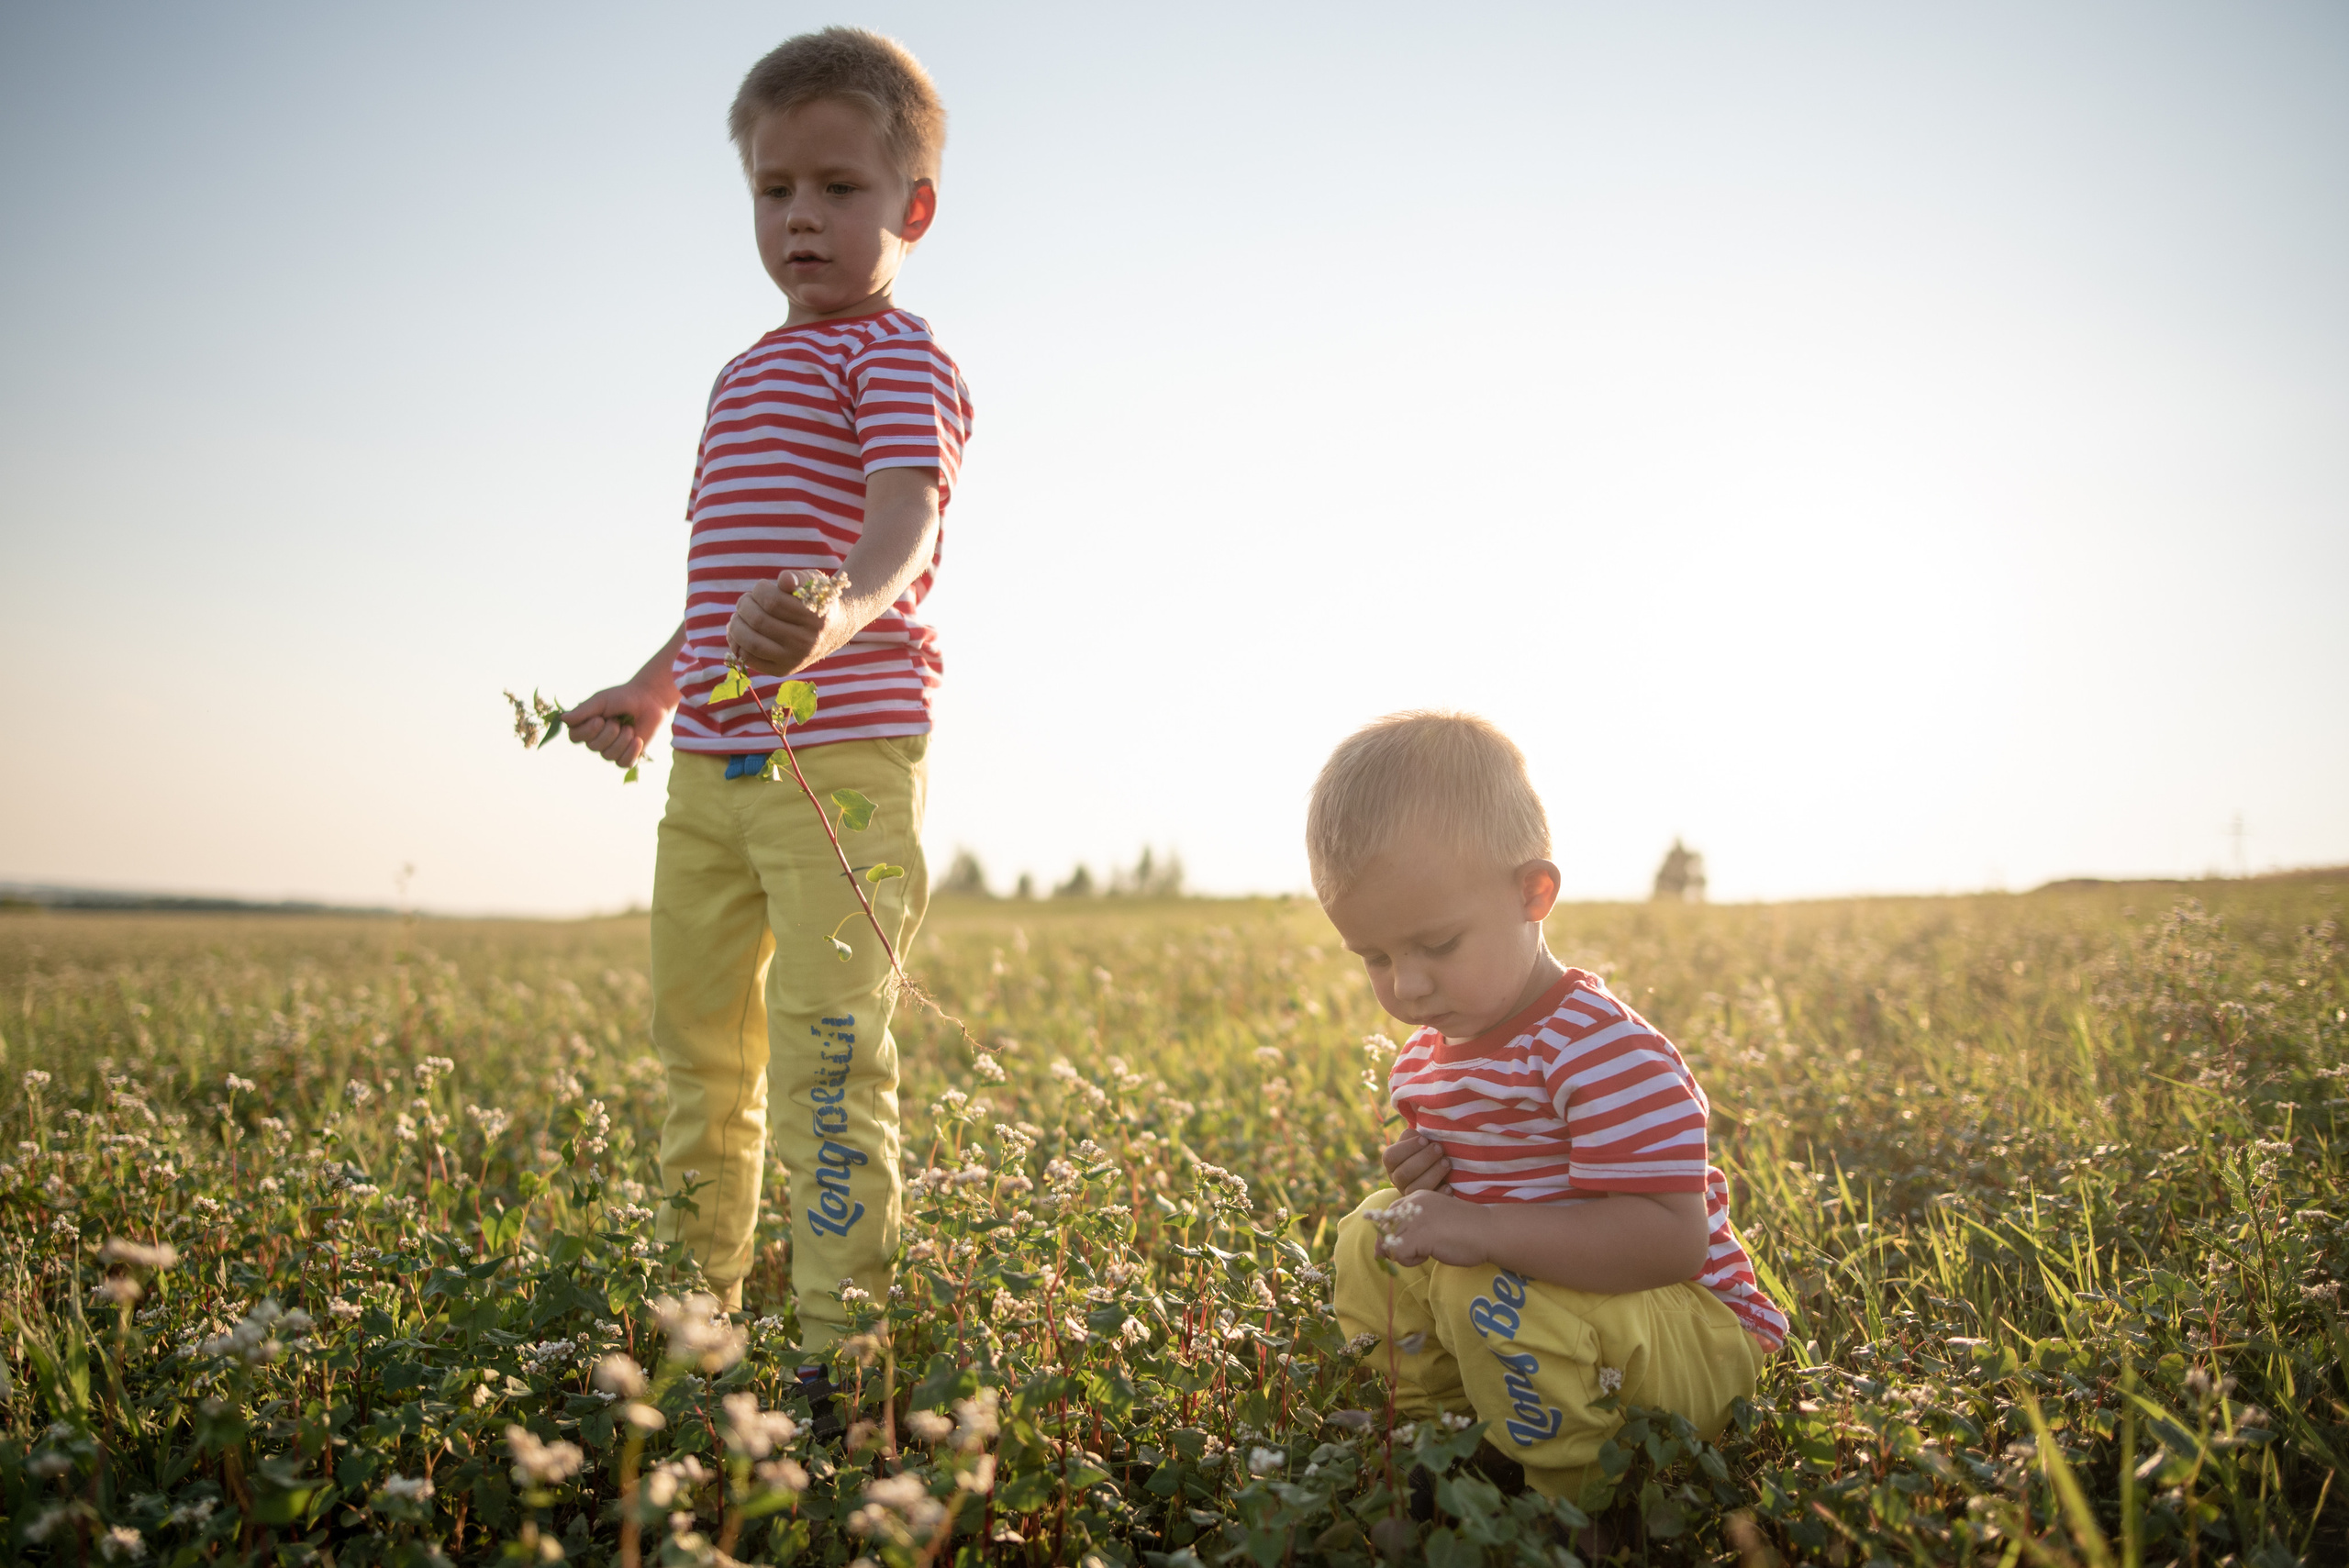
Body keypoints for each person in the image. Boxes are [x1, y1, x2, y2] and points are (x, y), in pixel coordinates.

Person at [562, 28, 974, 1395]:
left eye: (840, 189)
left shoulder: (898, 357)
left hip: (839, 762)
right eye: (774, 190)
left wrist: (841, 614)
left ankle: (833, 1350)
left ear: (911, 208)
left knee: (828, 1054)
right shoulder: (739, 378)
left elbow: (903, 526)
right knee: (699, 1052)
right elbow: (724, 588)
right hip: (711, 771)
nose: (802, 217)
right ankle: (702, 1320)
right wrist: (649, 687)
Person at [1312, 712, 1787, 1506]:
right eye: (1378, 957)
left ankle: (1574, 1500)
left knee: (1483, 1286)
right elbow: (1487, 1202)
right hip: (1555, 1313)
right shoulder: (1426, 1060)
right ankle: (1442, 1432)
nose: (1409, 985)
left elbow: (1670, 1240)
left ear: (1533, 893)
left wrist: (1479, 1229)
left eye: (1438, 944)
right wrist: (1435, 1196)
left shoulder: (1602, 1050)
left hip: (1692, 1330)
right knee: (1373, 1232)